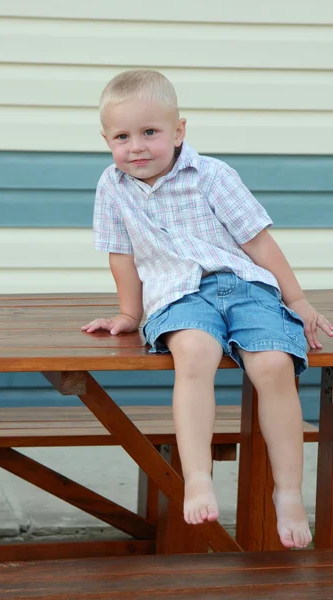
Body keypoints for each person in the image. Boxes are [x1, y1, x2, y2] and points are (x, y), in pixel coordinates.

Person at [82, 69, 333, 549]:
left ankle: (288, 491)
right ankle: (197, 476)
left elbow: (258, 242)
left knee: (274, 365)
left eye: (150, 132)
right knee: (193, 354)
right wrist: (130, 315)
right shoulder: (112, 186)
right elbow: (122, 256)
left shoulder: (214, 175)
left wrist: (296, 299)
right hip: (177, 295)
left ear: (178, 131)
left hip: (246, 287)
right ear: (106, 140)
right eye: (122, 136)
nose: (136, 146)